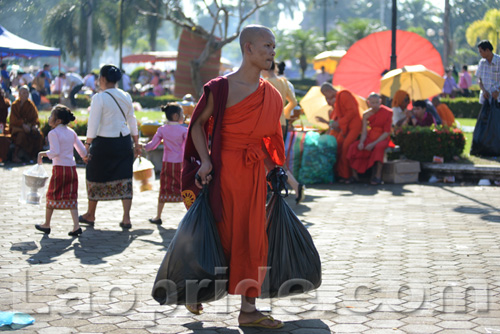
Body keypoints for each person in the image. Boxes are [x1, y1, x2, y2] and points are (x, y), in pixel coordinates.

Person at [183, 25, 285, 329]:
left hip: (253, 175)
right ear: (248, 48)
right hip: (224, 173)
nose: (272, 52)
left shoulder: (272, 95)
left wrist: (274, 170)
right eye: (266, 46)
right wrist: (204, 161)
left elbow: (264, 141)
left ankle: (248, 310)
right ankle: (196, 288)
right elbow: (198, 125)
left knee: (253, 239)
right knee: (222, 235)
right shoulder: (221, 87)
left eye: (273, 47)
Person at [79, 65, 141, 229]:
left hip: (103, 143)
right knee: (125, 177)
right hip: (123, 142)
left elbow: (93, 124)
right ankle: (126, 218)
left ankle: (91, 214)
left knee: (94, 175)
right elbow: (132, 121)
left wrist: (87, 144)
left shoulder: (99, 98)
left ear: (103, 79)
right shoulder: (126, 96)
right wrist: (136, 143)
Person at [35, 105, 87, 236]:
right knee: (71, 196)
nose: (49, 118)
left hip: (59, 169)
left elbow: (54, 152)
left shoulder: (53, 133)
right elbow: (82, 151)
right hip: (71, 169)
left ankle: (47, 224)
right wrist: (86, 157)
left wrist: (42, 154)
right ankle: (76, 226)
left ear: (58, 121)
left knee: (52, 195)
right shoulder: (71, 132)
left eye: (51, 115)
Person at [261, 61, 305, 203]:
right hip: (282, 123)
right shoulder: (284, 82)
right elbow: (293, 102)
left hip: (267, 124)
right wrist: (283, 114)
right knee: (276, 158)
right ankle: (294, 186)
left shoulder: (263, 83)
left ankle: (293, 186)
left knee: (268, 158)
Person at [144, 103, 187, 224]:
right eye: (182, 114)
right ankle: (189, 216)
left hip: (167, 163)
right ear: (175, 116)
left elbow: (152, 146)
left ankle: (158, 216)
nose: (183, 116)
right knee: (184, 188)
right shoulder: (184, 130)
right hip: (180, 163)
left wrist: (142, 146)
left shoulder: (162, 129)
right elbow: (190, 146)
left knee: (164, 188)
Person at [316, 83, 362, 182]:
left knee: (346, 147)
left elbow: (352, 111)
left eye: (325, 95)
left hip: (354, 125)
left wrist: (339, 123)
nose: (326, 98)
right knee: (339, 146)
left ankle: (347, 176)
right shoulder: (337, 100)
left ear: (327, 91)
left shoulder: (343, 94)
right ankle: (340, 174)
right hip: (345, 127)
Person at [347, 93, 392, 185]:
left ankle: (378, 176)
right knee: (353, 147)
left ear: (380, 102)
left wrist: (373, 144)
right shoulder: (366, 114)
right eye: (372, 103)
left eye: (377, 102)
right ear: (368, 103)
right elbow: (364, 131)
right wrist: (362, 142)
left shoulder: (388, 112)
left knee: (379, 148)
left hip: (382, 138)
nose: (375, 105)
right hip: (370, 137)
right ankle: (355, 176)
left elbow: (387, 132)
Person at [9, 86, 44, 162]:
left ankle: (35, 156)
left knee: (39, 134)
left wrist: (34, 126)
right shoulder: (15, 105)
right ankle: (15, 155)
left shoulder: (30, 105)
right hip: (17, 127)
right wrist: (22, 124)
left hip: (29, 127)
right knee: (21, 134)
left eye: (27, 93)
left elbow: (35, 118)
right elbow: (13, 119)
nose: (25, 95)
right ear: (19, 94)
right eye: (24, 93)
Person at [476, 40, 500, 104]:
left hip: (498, 99)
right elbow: (479, 79)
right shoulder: (481, 62)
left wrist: (498, 91)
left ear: (487, 50)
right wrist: (484, 91)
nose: (480, 54)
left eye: (481, 52)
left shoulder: (499, 61)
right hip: (485, 100)